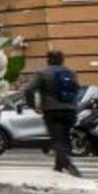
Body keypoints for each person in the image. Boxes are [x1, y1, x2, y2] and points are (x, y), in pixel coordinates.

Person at [28, 49, 82, 177]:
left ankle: (67, 162)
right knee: (65, 137)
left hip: (52, 111)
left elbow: (29, 89)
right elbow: (77, 88)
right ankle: (58, 167)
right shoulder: (71, 72)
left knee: (57, 139)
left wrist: (33, 105)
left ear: (48, 60)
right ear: (62, 60)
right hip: (70, 110)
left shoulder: (42, 73)